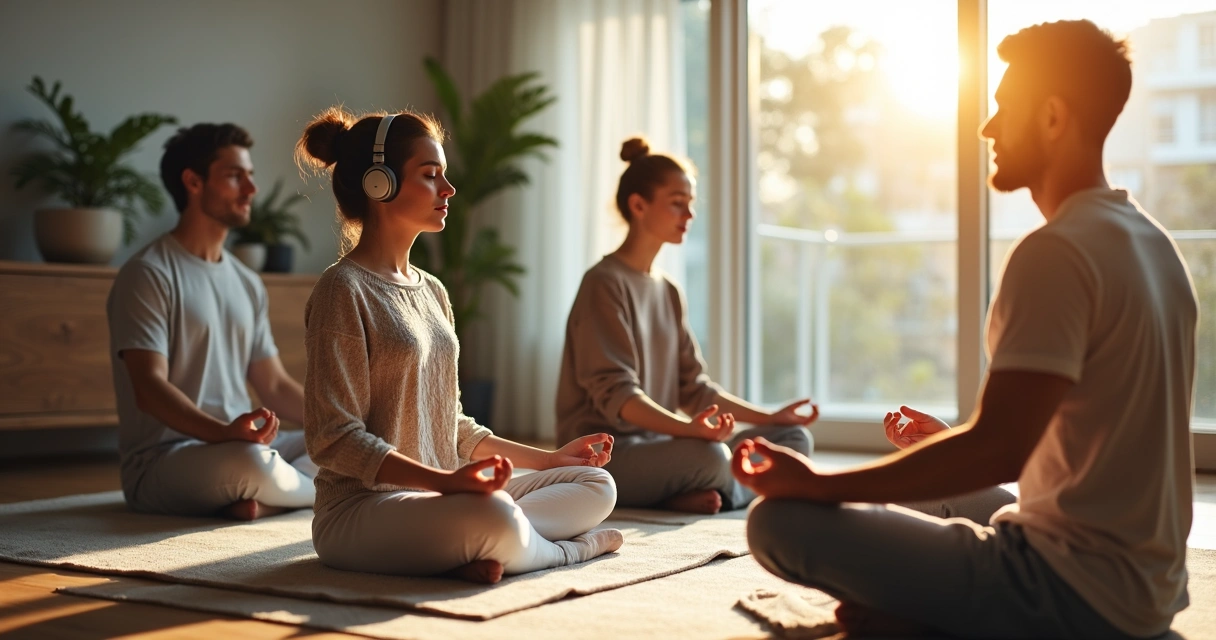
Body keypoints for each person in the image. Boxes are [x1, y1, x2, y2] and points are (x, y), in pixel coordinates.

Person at [734, 20, 1196, 639]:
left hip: (1067, 595)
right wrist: (950, 443)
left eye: (1006, 107)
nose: (988, 128)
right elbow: (1078, 439)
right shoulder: (1154, 244)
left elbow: (999, 448)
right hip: (1146, 588)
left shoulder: (1057, 251)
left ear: (1053, 118)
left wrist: (818, 484)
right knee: (949, 492)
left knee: (777, 523)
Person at [297, 107, 622, 585]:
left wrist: (552, 460)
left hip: (441, 498)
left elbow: (452, 425)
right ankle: (566, 552)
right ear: (378, 184)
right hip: (361, 511)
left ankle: (496, 547)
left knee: (596, 484)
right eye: (431, 176)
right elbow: (333, 438)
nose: (448, 191)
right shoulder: (342, 290)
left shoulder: (432, 290)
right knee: (492, 516)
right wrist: (446, 484)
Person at [556, 137, 815, 515]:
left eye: (691, 204)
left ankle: (701, 492)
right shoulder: (603, 283)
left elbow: (694, 389)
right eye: (678, 203)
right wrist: (690, 431)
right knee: (711, 455)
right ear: (638, 205)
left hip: (663, 447)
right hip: (608, 455)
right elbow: (619, 397)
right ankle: (723, 488)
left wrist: (772, 417)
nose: (689, 215)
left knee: (793, 439)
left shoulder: (668, 290)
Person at [107, 123, 317, 521]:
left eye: (250, 176)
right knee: (252, 463)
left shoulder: (247, 283)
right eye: (236, 176)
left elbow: (272, 384)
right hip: (164, 460)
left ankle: (270, 500)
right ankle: (312, 494)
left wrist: (343, 424)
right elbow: (149, 389)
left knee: (338, 445)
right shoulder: (148, 274)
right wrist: (223, 434)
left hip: (240, 446)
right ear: (193, 182)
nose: (251, 189)